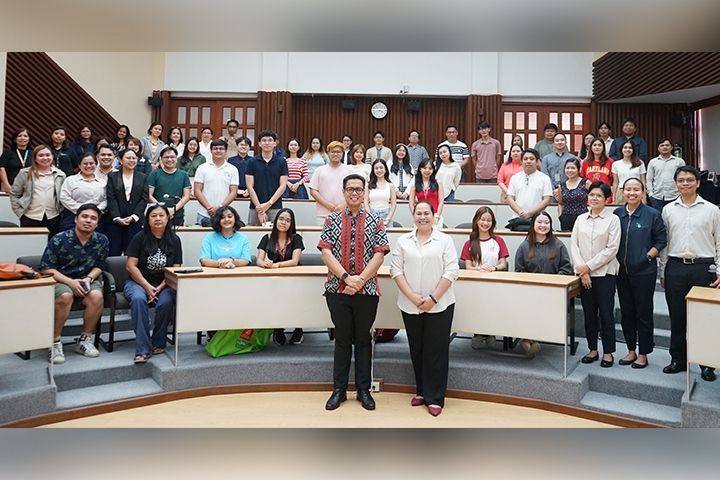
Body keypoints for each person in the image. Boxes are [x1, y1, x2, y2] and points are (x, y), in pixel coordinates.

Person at [319, 173, 390, 411]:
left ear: (364, 192)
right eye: (350, 189)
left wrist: (360, 281)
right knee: (341, 339)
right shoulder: (331, 220)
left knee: (363, 340)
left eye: (359, 189)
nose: (354, 193)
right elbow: (326, 253)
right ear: (343, 192)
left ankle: (363, 390)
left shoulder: (376, 221)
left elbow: (379, 255)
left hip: (367, 291)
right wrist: (347, 278)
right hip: (337, 289)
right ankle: (338, 390)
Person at [390, 200, 458, 417]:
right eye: (418, 213)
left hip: (440, 304)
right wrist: (412, 297)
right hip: (410, 304)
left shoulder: (444, 240)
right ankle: (421, 391)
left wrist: (433, 298)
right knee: (416, 348)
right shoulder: (403, 241)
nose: (422, 217)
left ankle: (435, 397)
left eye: (426, 213)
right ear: (413, 216)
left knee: (436, 351)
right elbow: (395, 270)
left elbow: (452, 271)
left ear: (433, 215)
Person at [659, 166, 720, 381]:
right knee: (677, 317)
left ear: (698, 183)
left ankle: (707, 364)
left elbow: (719, 242)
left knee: (704, 317)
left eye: (689, 180)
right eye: (681, 180)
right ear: (676, 184)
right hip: (675, 267)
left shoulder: (712, 210)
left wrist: (719, 270)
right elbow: (665, 243)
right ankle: (678, 359)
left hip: (703, 268)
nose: (685, 183)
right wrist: (663, 270)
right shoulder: (668, 210)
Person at [39, 203, 108, 364]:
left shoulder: (102, 240)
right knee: (65, 296)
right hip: (61, 279)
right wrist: (70, 282)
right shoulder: (59, 239)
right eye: (84, 216)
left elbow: (100, 266)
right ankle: (54, 341)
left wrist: (89, 278)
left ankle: (85, 339)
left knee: (97, 296)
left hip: (87, 279)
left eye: (93, 218)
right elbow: (46, 268)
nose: (88, 221)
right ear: (76, 219)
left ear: (97, 223)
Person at [614, 178, 667, 369]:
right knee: (627, 313)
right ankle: (631, 350)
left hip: (644, 272)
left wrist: (648, 256)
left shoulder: (652, 214)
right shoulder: (617, 214)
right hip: (621, 272)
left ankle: (643, 353)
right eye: (628, 189)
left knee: (643, 313)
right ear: (623, 192)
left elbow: (661, 240)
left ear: (643, 192)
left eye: (636, 189)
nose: (632, 193)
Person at [124, 203, 182, 364]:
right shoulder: (139, 238)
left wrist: (160, 286)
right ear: (147, 219)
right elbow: (130, 266)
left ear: (168, 218)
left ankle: (159, 342)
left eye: (161, 215)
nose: (158, 219)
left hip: (165, 283)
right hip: (138, 282)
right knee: (138, 299)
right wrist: (147, 287)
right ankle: (142, 348)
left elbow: (176, 268)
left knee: (165, 302)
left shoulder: (174, 240)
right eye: (153, 216)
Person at [571, 181, 620, 368]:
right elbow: (574, 246)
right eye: (592, 195)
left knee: (606, 314)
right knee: (589, 313)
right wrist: (582, 271)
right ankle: (592, 349)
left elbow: (611, 249)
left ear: (606, 199)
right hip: (584, 276)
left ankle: (608, 352)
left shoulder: (613, 220)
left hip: (605, 274)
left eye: (599, 196)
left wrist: (587, 267)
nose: (594, 198)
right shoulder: (580, 219)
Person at [515, 211, 573, 356]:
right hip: (530, 292)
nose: (543, 225)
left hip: (553, 292)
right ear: (533, 225)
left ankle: (527, 341)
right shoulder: (524, 246)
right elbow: (519, 271)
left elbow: (566, 269)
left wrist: (552, 283)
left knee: (541, 306)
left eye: (546, 223)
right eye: (539, 222)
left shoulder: (558, 245)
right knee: (527, 305)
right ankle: (529, 340)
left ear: (550, 225)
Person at [461, 207, 510, 350]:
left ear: (492, 223)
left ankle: (490, 333)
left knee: (492, 307)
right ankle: (477, 333)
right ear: (476, 221)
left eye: (489, 220)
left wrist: (494, 268)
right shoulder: (469, 243)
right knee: (477, 307)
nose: (485, 223)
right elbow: (467, 266)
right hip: (475, 284)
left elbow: (503, 264)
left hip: (495, 282)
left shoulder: (498, 241)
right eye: (482, 219)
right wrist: (478, 269)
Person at [256, 208, 305, 345]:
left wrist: (276, 265)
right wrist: (264, 264)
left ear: (291, 223)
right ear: (276, 220)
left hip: (295, 279)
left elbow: (294, 261)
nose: (283, 222)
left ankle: (298, 328)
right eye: (281, 219)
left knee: (295, 303)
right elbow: (259, 260)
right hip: (275, 279)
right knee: (276, 301)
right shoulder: (267, 238)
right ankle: (278, 328)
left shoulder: (296, 238)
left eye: (288, 220)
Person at [10, 145, 66, 237]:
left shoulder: (60, 175)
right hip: (29, 217)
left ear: (52, 156)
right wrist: (19, 213)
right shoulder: (24, 173)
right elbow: (14, 193)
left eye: (47, 155)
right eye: (41, 155)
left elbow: (63, 195)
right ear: (35, 158)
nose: (45, 158)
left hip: (53, 217)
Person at [105, 148, 149, 256]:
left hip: (135, 222)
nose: (131, 160)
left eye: (134, 158)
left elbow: (144, 199)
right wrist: (117, 217)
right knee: (114, 253)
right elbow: (111, 197)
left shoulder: (142, 177)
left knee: (133, 254)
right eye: (128, 158)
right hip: (115, 222)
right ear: (120, 160)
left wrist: (134, 216)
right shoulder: (112, 176)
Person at [246, 130, 289, 226]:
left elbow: (283, 185)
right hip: (255, 207)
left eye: (270, 140)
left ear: (275, 143)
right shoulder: (252, 162)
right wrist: (259, 208)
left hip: (275, 206)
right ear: (259, 143)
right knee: (253, 232)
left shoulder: (282, 162)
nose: (267, 143)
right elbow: (249, 186)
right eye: (264, 140)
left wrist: (269, 203)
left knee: (277, 232)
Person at [195, 139, 239, 226]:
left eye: (221, 148)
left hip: (224, 215)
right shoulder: (202, 168)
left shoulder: (233, 169)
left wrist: (220, 208)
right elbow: (197, 190)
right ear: (211, 151)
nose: (218, 151)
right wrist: (208, 208)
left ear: (226, 151)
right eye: (215, 148)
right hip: (204, 213)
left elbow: (233, 192)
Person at [59, 153, 107, 232]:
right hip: (72, 217)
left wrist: (95, 210)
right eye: (85, 163)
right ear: (79, 165)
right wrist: (82, 210)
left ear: (96, 164)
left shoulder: (102, 182)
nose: (88, 166)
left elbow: (106, 199)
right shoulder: (70, 180)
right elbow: (64, 198)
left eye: (91, 163)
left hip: (95, 218)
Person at [308, 140, 353, 226]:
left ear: (342, 153)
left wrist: (343, 205)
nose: (335, 154)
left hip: (346, 213)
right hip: (323, 214)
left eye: (338, 152)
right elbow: (313, 190)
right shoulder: (319, 170)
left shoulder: (349, 170)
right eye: (333, 152)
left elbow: (354, 190)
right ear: (328, 153)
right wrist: (327, 205)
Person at [506, 148, 552, 228]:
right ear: (521, 161)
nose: (528, 161)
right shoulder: (515, 178)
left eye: (532, 159)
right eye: (525, 159)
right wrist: (521, 213)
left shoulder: (545, 178)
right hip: (518, 218)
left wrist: (530, 213)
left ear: (537, 162)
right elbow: (510, 198)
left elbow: (547, 200)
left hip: (538, 220)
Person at [148, 146, 192, 227]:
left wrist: (173, 210)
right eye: (166, 157)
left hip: (177, 214)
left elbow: (186, 196)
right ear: (161, 159)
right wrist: (163, 209)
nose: (169, 159)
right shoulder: (154, 174)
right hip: (158, 215)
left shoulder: (183, 175)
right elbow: (149, 195)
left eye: (172, 157)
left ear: (176, 158)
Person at [646, 138, 685, 212]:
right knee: (658, 218)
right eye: (662, 145)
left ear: (671, 147)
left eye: (667, 145)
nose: (664, 147)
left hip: (675, 196)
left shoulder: (679, 162)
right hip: (657, 197)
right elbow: (649, 179)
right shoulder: (653, 162)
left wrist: (680, 193)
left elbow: (683, 179)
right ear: (658, 148)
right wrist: (651, 194)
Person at [407, 158, 444, 226]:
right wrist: (415, 215)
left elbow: (441, 201)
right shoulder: (415, 184)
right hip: (420, 217)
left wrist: (437, 215)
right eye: (424, 168)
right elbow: (411, 203)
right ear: (420, 169)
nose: (427, 170)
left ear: (433, 170)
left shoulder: (438, 183)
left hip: (435, 216)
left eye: (430, 168)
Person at [557, 158, 589, 231]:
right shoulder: (561, 186)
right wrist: (560, 216)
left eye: (573, 168)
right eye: (567, 168)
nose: (570, 170)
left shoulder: (586, 183)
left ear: (578, 169)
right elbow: (560, 203)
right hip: (566, 219)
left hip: (583, 217)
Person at [364, 158, 397, 227]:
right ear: (373, 171)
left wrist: (388, 219)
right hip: (372, 214)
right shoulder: (368, 185)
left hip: (386, 215)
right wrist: (370, 216)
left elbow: (393, 204)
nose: (379, 170)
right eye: (376, 168)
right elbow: (366, 203)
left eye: (381, 168)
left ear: (385, 170)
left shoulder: (391, 185)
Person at [0, 127, 32, 193]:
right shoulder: (8, 152)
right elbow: (1, 168)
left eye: (25, 136)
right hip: (11, 186)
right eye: (19, 136)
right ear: (15, 139)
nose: (22, 138)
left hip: (29, 187)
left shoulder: (33, 153)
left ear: (29, 139)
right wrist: (6, 185)